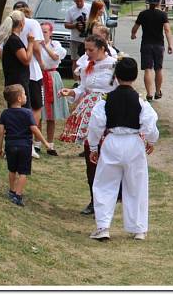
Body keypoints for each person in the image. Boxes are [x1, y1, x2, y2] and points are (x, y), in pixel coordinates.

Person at [87, 57, 160, 240]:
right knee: (136, 185)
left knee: (105, 184)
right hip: (134, 142)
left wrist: (94, 147)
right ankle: (139, 229)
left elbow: (96, 124)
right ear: (135, 77)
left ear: (116, 77)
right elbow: (150, 123)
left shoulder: (105, 100)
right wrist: (151, 141)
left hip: (112, 140)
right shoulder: (141, 101)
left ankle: (103, 227)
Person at [59, 35, 117, 216]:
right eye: (86, 49)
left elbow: (121, 87)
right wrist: (72, 92)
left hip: (108, 111)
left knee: (107, 155)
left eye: (91, 49)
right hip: (89, 113)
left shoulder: (114, 65)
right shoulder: (87, 66)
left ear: (102, 48)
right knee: (91, 155)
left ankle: (111, 196)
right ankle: (94, 199)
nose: (87, 53)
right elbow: (83, 88)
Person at [0, 85, 53, 206]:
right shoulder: (27, 113)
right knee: (23, 172)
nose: (26, 96)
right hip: (25, 147)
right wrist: (45, 142)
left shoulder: (5, 114)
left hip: (10, 145)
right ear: (19, 99)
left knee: (12, 169)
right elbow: (34, 129)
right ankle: (18, 195)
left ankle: (12, 191)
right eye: (24, 94)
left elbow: (0, 131)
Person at [3, 1, 46, 159]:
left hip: (16, 77)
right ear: (21, 21)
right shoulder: (21, 34)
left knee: (17, 109)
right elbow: (30, 55)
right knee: (30, 109)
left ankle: (18, 144)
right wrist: (32, 46)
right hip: (26, 76)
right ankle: (27, 144)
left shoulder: (8, 35)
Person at [131, 0, 173, 103]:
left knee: (147, 69)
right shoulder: (162, 14)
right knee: (158, 69)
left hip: (146, 44)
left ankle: (149, 94)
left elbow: (135, 27)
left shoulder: (143, 14)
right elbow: (167, 30)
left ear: (148, 3)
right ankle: (158, 91)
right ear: (159, 3)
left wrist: (133, 34)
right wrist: (170, 44)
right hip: (159, 45)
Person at [39, 22, 69, 155]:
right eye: (41, 31)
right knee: (38, 111)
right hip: (39, 77)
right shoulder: (35, 45)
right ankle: (37, 143)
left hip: (51, 76)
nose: (42, 34)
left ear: (50, 33)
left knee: (51, 114)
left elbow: (55, 57)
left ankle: (50, 144)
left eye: (45, 31)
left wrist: (45, 46)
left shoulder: (56, 45)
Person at [64, 0, 91, 74]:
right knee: (75, 60)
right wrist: (75, 25)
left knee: (89, 59)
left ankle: (86, 77)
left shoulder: (89, 8)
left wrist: (87, 24)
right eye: (77, 1)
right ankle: (76, 81)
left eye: (81, 1)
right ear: (74, 1)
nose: (79, 3)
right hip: (75, 39)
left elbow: (96, 21)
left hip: (88, 39)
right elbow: (66, 24)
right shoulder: (70, 10)